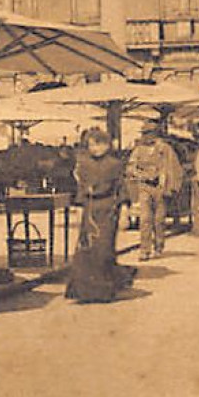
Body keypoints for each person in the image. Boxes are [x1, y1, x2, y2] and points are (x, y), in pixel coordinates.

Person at [65, 128, 135, 303]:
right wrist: (79, 209)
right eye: (90, 145)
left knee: (104, 249)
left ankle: (103, 290)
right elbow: (81, 188)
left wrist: (125, 210)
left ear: (106, 145)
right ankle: (84, 291)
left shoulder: (115, 164)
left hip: (108, 209)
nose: (94, 148)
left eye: (97, 144)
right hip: (89, 209)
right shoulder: (84, 164)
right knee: (86, 249)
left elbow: (121, 188)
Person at [126, 124, 183, 260]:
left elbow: (174, 168)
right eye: (143, 133)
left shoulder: (165, 149)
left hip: (160, 188)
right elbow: (130, 167)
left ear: (154, 134)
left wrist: (170, 185)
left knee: (159, 220)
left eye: (147, 133)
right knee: (145, 219)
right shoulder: (138, 150)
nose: (144, 136)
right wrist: (140, 174)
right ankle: (145, 250)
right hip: (145, 187)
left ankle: (159, 245)